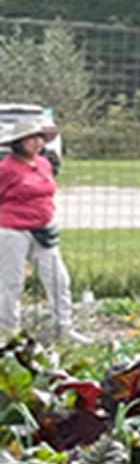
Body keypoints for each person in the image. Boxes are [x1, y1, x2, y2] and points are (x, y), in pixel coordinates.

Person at [0, 115, 75, 343]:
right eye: (30, 138)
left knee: (58, 279)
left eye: (39, 137)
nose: (37, 142)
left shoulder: (44, 164)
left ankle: (64, 328)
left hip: (43, 230)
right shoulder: (6, 169)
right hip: (13, 231)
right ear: (18, 143)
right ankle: (8, 333)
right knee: (11, 282)